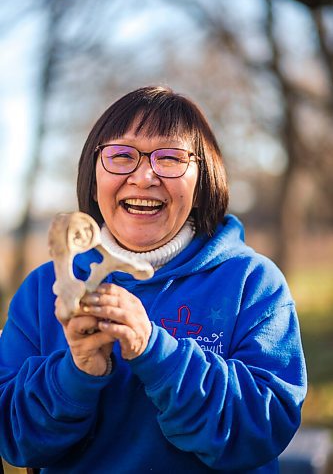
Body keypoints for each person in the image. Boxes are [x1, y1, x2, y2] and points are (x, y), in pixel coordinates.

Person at [0, 86, 306, 473]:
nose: (144, 176)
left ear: (202, 182)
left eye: (170, 157)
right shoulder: (44, 291)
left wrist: (157, 353)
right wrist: (76, 372)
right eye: (121, 155)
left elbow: (263, 429)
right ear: (94, 178)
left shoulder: (253, 283)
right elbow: (14, 439)